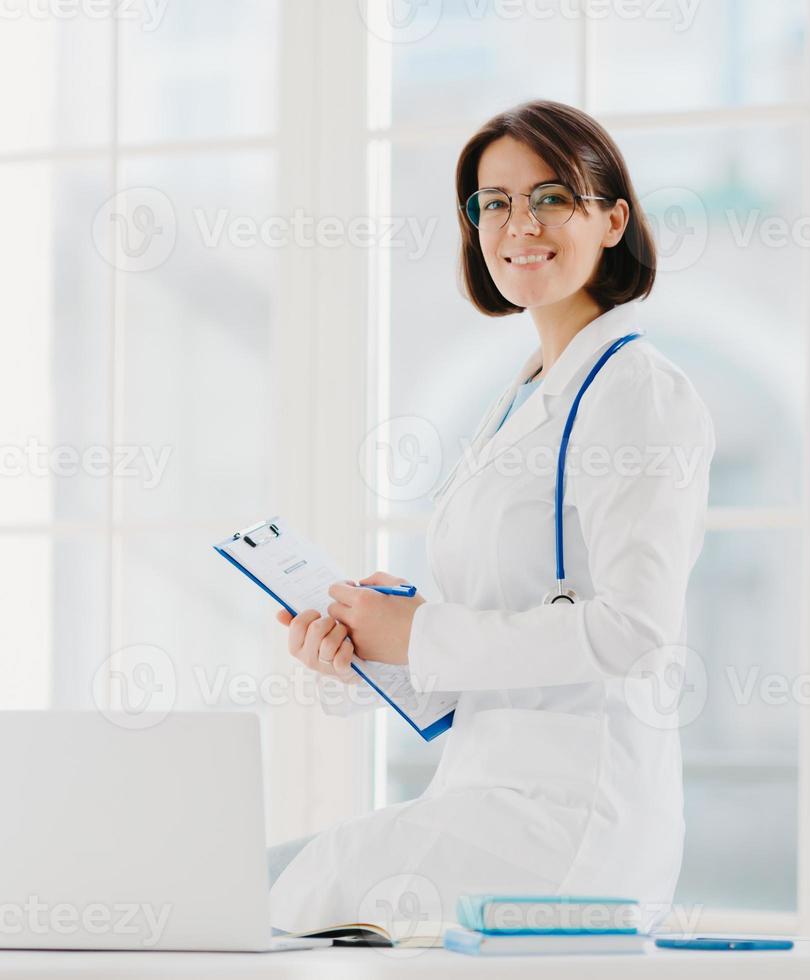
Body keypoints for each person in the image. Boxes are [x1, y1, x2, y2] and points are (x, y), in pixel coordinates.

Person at [266, 100, 715, 934]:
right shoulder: (525, 395)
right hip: (489, 796)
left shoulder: (635, 391)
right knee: (262, 887)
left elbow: (636, 629)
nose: (520, 224)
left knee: (277, 891)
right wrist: (372, 652)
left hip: (577, 822)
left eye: (551, 198)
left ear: (613, 219)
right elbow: (496, 650)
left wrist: (422, 636)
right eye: (495, 202)